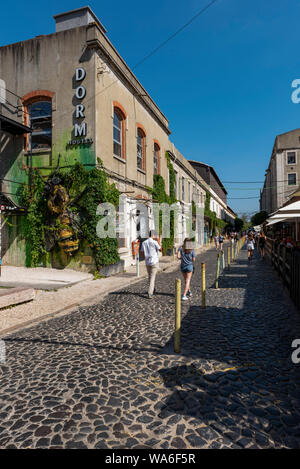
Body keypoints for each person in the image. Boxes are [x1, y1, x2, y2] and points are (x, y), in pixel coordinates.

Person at [141, 230, 162, 299]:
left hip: (147, 262)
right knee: (152, 278)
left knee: (150, 276)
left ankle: (152, 288)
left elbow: (141, 252)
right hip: (154, 262)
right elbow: (161, 249)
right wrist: (158, 240)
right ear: (153, 235)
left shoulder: (144, 242)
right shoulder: (154, 242)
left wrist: (145, 258)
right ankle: (150, 293)